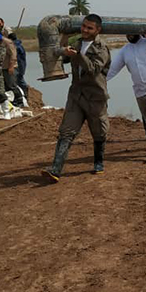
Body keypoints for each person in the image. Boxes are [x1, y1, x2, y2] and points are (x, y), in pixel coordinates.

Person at [42, 14, 111, 183]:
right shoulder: (77, 43)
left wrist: (77, 54)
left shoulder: (102, 48)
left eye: (89, 28)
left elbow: (93, 69)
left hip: (95, 97)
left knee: (99, 132)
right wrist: (64, 41)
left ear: (97, 30)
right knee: (66, 131)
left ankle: (98, 162)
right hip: (76, 95)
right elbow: (63, 57)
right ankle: (56, 169)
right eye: (84, 26)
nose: (85, 30)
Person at [107, 25, 146, 162]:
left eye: (132, 33)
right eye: (127, 33)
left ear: (139, 32)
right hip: (140, 90)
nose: (129, 36)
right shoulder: (125, 50)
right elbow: (112, 69)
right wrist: (98, 80)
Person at [0, 31, 24, 107]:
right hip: (4, 68)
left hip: (10, 68)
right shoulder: (0, 44)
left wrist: (11, 67)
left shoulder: (8, 44)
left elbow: (13, 56)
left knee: (12, 85)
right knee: (6, 86)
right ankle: (12, 101)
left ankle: (20, 101)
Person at [8, 32, 29, 100]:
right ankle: (24, 92)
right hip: (21, 65)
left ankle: (25, 92)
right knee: (19, 78)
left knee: (18, 79)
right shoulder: (18, 45)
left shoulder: (16, 46)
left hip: (19, 65)